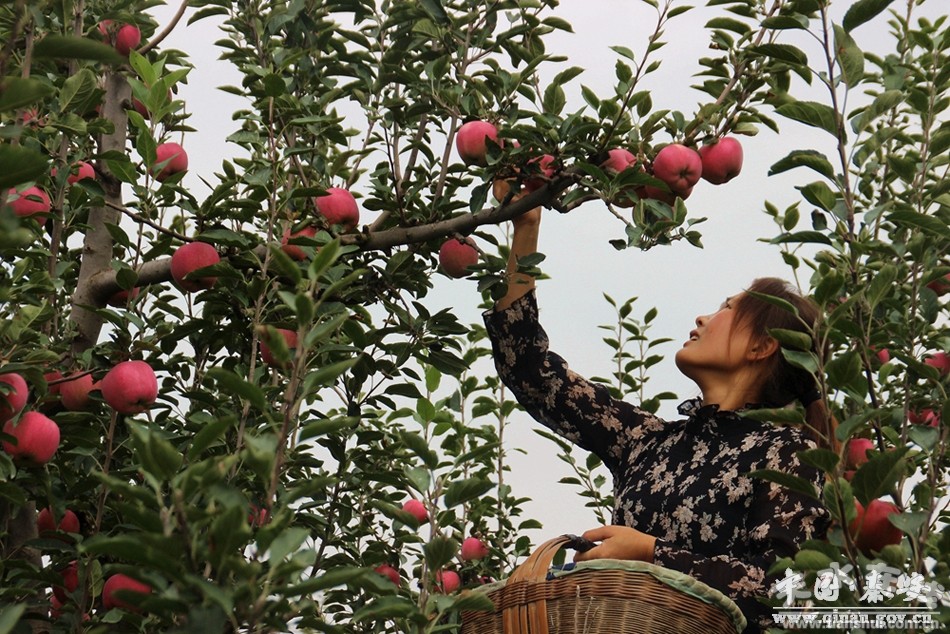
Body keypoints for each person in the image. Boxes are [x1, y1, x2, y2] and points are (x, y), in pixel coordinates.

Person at [483, 194, 831, 633]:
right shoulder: (648, 442)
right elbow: (531, 372)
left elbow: (784, 592)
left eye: (727, 308)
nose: (703, 317)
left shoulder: (786, 453)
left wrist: (650, 553)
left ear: (762, 346)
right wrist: (526, 226)